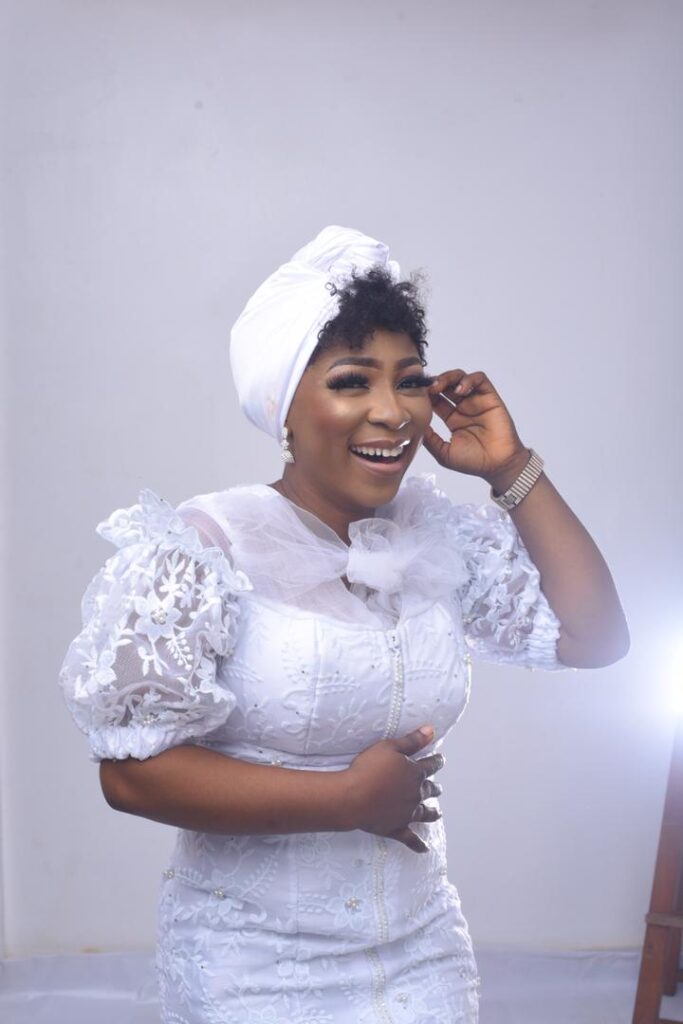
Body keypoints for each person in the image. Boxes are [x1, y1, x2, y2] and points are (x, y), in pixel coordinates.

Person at [59, 225, 630, 1024]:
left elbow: (594, 639)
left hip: (422, 952)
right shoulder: (201, 549)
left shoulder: (439, 535)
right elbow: (130, 775)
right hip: (256, 969)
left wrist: (509, 467)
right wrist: (344, 800)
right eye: (352, 381)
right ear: (282, 409)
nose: (391, 413)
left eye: (410, 381)